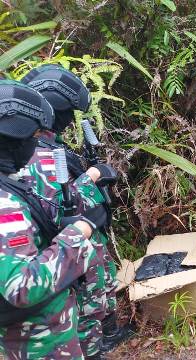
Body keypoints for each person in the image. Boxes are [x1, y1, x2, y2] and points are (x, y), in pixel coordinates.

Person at [19, 64, 132, 357]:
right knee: (85, 308)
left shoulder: (48, 146)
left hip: (84, 240)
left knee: (99, 295)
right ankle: (94, 350)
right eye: (67, 113)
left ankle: (106, 337)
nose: (71, 121)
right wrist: (91, 177)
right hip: (65, 248)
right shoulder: (33, 154)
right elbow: (55, 208)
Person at [0, 80, 107, 359]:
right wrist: (80, 231)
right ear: (14, 141)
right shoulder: (4, 203)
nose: (36, 145)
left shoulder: (10, 183)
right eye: (32, 138)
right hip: (36, 337)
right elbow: (22, 287)